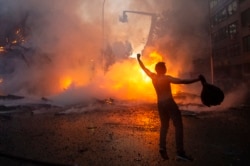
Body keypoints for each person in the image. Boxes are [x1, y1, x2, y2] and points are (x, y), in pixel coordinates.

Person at [137, 53, 201, 161]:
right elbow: (182, 81)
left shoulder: (153, 77)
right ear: (163, 69)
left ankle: (162, 147)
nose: (166, 69)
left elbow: (144, 68)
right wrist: (197, 79)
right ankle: (180, 152)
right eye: (165, 68)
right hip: (169, 102)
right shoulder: (166, 78)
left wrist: (138, 59)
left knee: (164, 126)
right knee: (178, 125)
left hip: (160, 104)